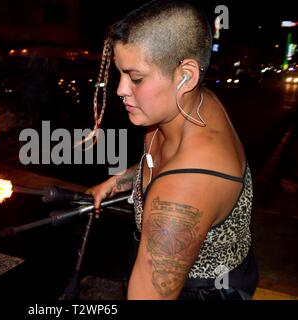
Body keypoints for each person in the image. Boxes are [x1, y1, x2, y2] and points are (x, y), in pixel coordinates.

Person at [86, 0, 258, 300]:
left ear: (186, 75)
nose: (121, 89)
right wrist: (116, 183)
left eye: (136, 78)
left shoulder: (186, 187)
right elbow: (155, 162)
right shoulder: (186, 104)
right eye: (121, 74)